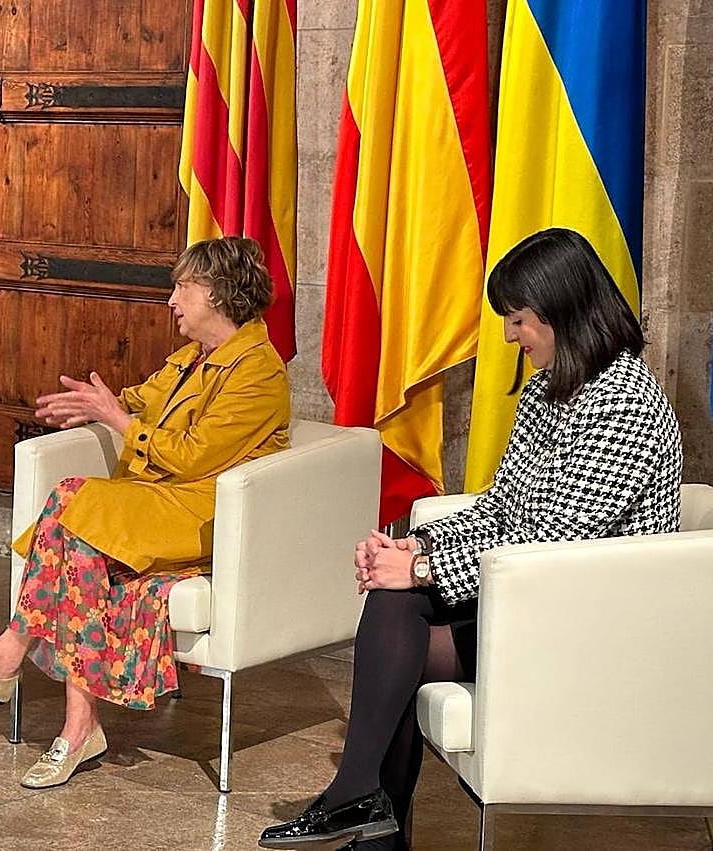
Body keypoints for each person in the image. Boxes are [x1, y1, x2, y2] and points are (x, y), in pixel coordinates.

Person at [259, 228, 683, 849]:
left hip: (588, 626)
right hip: (531, 601)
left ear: (561, 309)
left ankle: (362, 811)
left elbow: (548, 543)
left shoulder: (625, 404)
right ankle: (367, 817)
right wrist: (412, 550)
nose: (510, 336)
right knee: (394, 602)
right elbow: (505, 505)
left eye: (517, 319)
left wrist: (427, 571)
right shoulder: (551, 388)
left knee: (399, 613)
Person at [0, 236, 291, 788]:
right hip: (158, 501)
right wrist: (95, 405)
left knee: (74, 499)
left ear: (214, 294)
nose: (171, 301)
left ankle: (6, 655)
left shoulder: (258, 371)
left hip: (204, 512)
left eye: (181, 288)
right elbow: (142, 399)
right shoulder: (194, 358)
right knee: (78, 551)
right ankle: (78, 727)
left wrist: (115, 419)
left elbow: (191, 458)